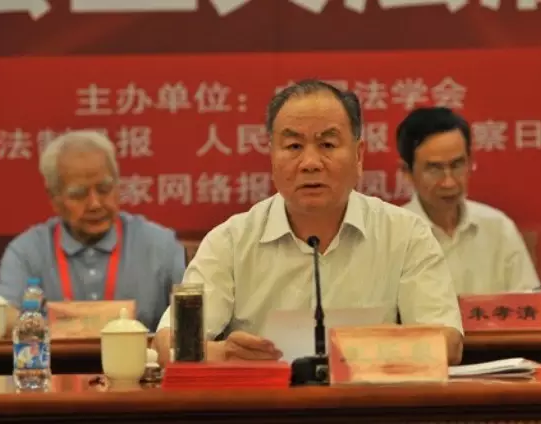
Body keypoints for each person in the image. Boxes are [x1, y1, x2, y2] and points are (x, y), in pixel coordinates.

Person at [152, 80, 464, 365]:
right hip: (266, 403)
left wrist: (367, 348)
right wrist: (225, 354)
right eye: (293, 147)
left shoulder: (405, 234)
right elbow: (168, 343)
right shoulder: (230, 242)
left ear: (359, 156)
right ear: (272, 157)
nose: (310, 163)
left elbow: (448, 343)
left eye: (327, 145)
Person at [396, 107, 541, 323]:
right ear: (406, 172)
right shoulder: (393, 233)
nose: (449, 182)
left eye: (457, 165)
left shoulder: (498, 227)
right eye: (434, 169)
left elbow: (526, 313)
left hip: (497, 345)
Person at [0, 130, 186, 332]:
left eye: (104, 189)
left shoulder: (160, 245)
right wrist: (53, 329)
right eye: (79, 194)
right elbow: (3, 315)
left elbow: (193, 312)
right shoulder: (26, 252)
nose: (95, 204)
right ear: (54, 198)